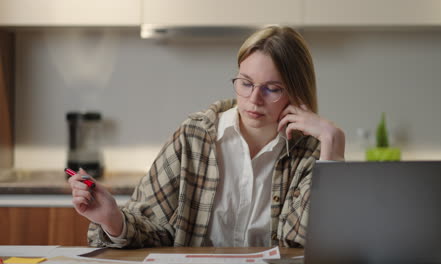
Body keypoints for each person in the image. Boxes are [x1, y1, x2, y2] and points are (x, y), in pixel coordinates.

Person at [68, 25, 345, 248]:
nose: (253, 99)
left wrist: (332, 146)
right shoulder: (194, 137)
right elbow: (153, 228)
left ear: (297, 92)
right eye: (246, 83)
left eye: (272, 89)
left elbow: (301, 241)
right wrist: (113, 218)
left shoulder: (312, 150)